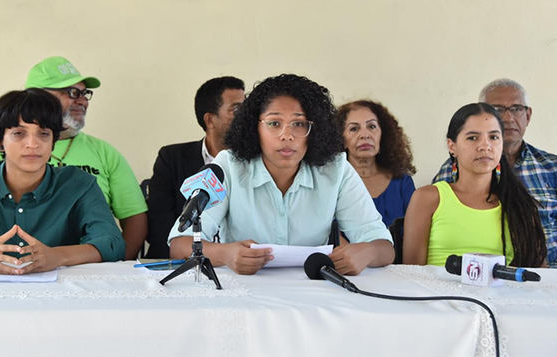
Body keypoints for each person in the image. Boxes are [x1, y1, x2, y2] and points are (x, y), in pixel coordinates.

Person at [168, 74, 394, 275]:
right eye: (274, 123)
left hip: (314, 293)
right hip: (246, 291)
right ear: (254, 128)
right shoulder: (229, 165)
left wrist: (368, 252)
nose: (287, 135)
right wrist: (224, 253)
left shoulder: (336, 169)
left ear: (314, 130)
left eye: (298, 124)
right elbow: (179, 244)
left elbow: (384, 248)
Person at [0, 57, 147, 260]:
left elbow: (125, 224)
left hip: (79, 274)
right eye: (72, 93)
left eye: (84, 94)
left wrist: (115, 267)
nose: (82, 100)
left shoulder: (97, 160)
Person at [0, 89, 125, 274]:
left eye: (44, 134)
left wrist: (58, 256)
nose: (33, 144)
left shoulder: (79, 184)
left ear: (53, 141)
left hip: (61, 294)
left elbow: (112, 243)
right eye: (19, 133)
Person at [432, 79, 557, 267]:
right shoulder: (453, 171)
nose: (508, 118)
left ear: (528, 115)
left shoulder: (555, 167)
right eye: (498, 109)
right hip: (486, 274)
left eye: (517, 108)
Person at [404, 103, 546, 267]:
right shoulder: (428, 198)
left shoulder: (520, 203)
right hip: (437, 293)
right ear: (452, 146)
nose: (485, 146)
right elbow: (411, 273)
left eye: (493, 137)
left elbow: (539, 275)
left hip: (504, 293)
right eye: (472, 138)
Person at [145, 76, 245, 258]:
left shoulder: (253, 164)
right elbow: (160, 227)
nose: (246, 117)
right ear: (210, 120)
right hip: (179, 265)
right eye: (237, 109)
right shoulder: (172, 158)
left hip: (237, 266)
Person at [337, 100, 416, 227]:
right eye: (354, 129)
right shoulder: (332, 183)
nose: (364, 135)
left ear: (383, 135)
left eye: (372, 126)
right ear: (342, 140)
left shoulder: (402, 182)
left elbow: (415, 232)